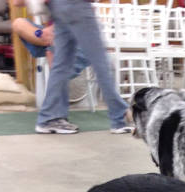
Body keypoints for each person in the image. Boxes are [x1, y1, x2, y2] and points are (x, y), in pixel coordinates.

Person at [11, 0, 132, 134]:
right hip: (76, 5)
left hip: (59, 7)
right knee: (100, 60)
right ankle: (119, 116)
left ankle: (48, 118)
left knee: (62, 64)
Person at [12, 17, 89, 78]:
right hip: (52, 36)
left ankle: (57, 47)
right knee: (18, 23)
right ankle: (54, 44)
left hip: (77, 34)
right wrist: (42, 33)